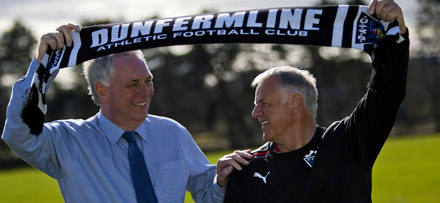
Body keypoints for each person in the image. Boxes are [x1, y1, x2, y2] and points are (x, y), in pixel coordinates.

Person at [1, 23, 231, 202]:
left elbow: (207, 193)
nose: (145, 92)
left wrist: (220, 181)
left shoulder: (173, 132)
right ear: (103, 91)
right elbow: (17, 133)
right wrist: (43, 67)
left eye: (148, 80)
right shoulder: (68, 140)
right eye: (132, 84)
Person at [222, 0, 409, 202]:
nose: (255, 112)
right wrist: (219, 184)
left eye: (264, 104)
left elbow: (387, 91)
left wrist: (394, 35)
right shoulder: (245, 170)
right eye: (255, 105)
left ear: (295, 104)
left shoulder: (346, 144)